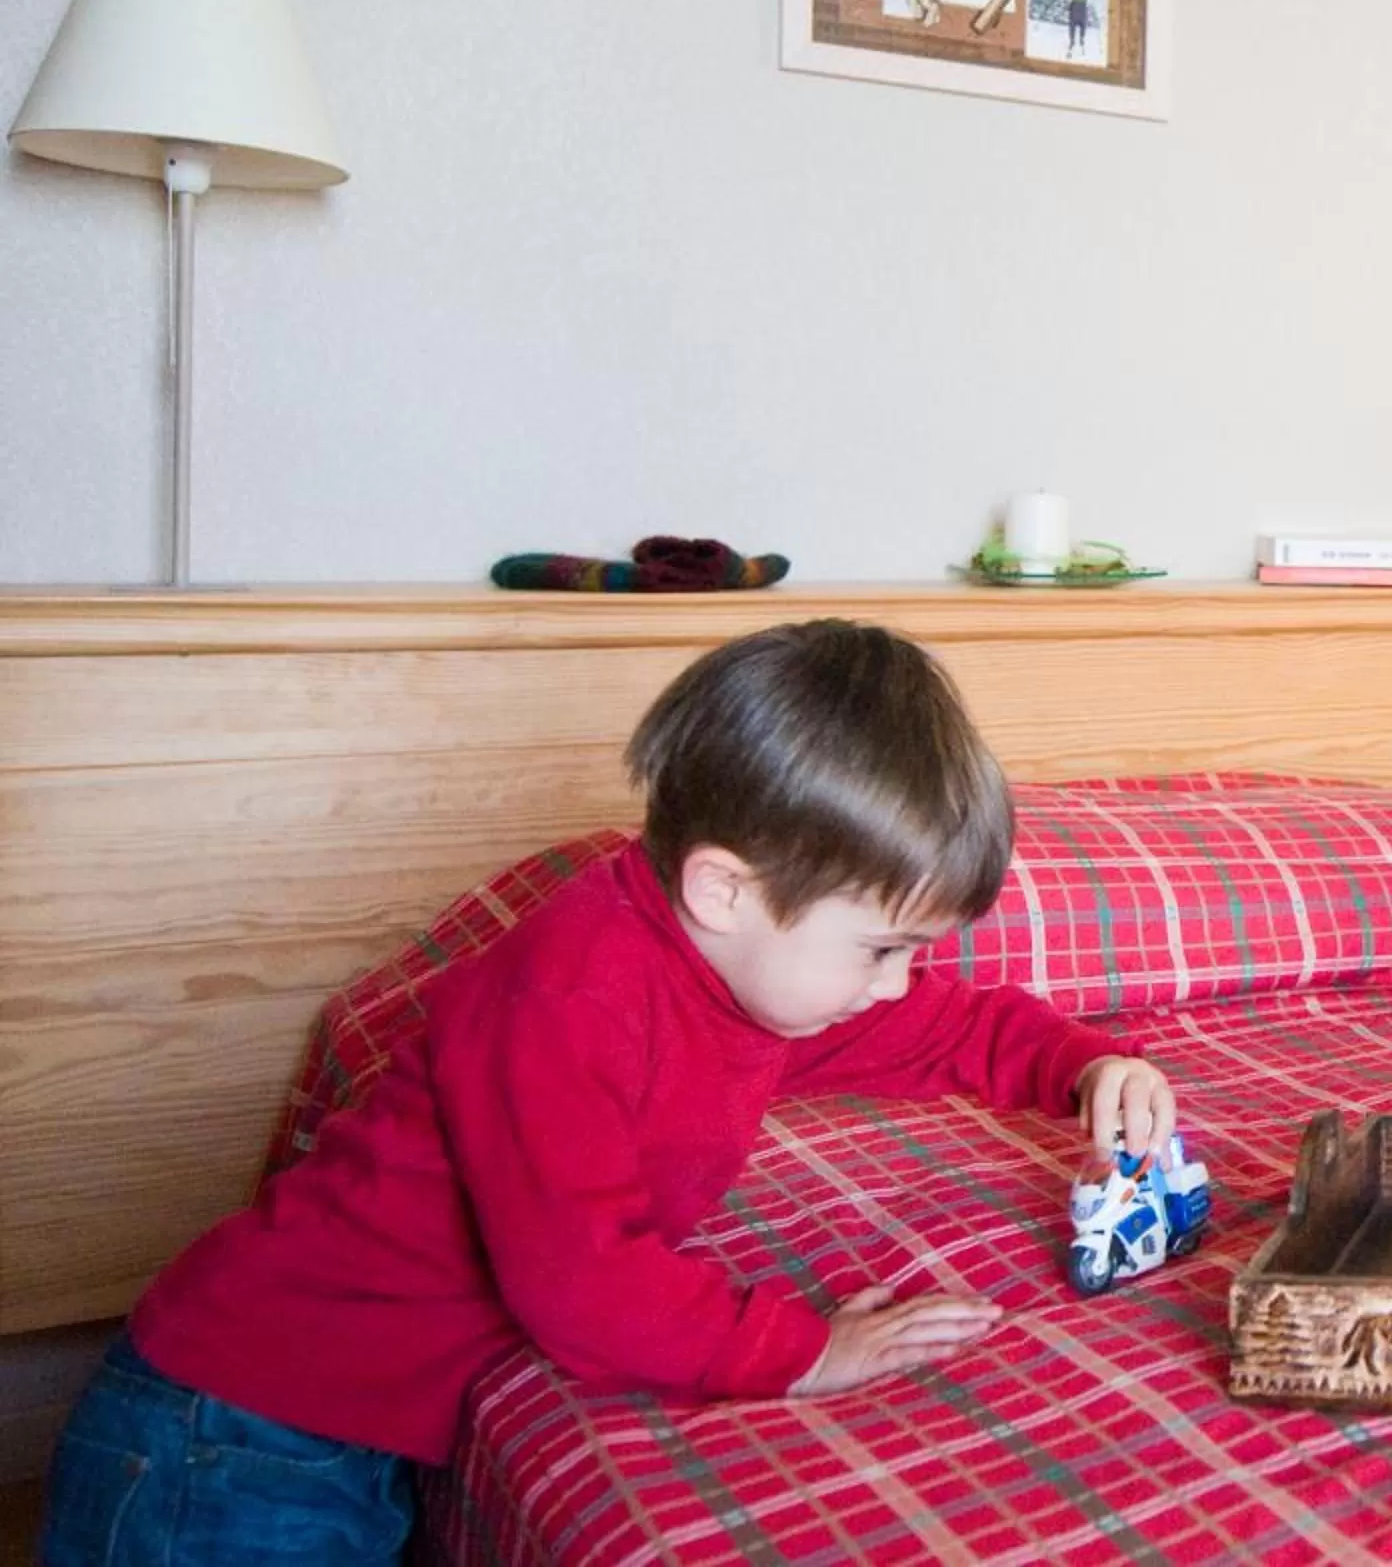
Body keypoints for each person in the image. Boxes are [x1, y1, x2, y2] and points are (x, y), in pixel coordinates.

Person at [41, 620, 1172, 1564]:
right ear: (724, 888)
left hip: (335, 1426)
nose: (896, 986)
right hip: (235, 1421)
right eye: (881, 949)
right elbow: (581, 1286)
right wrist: (808, 1351)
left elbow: (947, 1027)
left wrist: (1082, 1066)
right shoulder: (572, 995)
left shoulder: (746, 979)